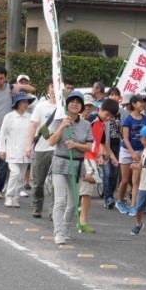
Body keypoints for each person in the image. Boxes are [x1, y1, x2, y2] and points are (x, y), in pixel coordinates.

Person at [0, 65, 35, 199]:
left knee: (4, 162)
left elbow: (33, 89)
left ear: (5, 78)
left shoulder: (11, 89)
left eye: (1, 78)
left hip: (7, 132)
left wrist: (19, 86)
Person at [48, 91, 93, 245]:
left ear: (81, 106)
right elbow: (51, 142)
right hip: (60, 163)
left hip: (77, 165)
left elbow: (89, 147)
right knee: (60, 200)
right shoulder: (59, 120)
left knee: (73, 203)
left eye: (78, 102)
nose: (75, 104)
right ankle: (58, 232)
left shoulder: (86, 124)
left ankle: (66, 225)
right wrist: (62, 126)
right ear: (67, 104)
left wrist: (76, 145)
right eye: (72, 101)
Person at [79, 98, 119, 233]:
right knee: (93, 179)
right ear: (100, 109)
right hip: (85, 156)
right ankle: (75, 175)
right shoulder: (92, 120)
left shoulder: (102, 124)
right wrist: (100, 154)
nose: (108, 118)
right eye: (107, 114)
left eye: (111, 117)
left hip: (93, 158)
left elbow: (102, 143)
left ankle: (83, 220)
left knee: (88, 190)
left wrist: (112, 157)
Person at [25, 80, 57, 218]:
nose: (55, 89)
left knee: (56, 183)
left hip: (58, 151)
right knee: (38, 182)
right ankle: (37, 206)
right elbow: (33, 126)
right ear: (48, 88)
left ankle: (54, 211)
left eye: (58, 86)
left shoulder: (65, 107)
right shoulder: (41, 106)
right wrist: (28, 145)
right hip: (41, 149)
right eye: (52, 86)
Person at [116, 93, 146, 215]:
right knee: (125, 180)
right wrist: (132, 152)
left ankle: (133, 206)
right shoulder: (128, 119)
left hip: (140, 151)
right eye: (140, 102)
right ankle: (120, 201)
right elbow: (125, 138)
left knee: (136, 180)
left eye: (143, 102)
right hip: (126, 151)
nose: (142, 104)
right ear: (133, 104)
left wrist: (143, 151)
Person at [0, 92, 35, 208]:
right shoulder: (9, 117)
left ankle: (15, 198)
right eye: (23, 101)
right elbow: (2, 135)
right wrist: (2, 150)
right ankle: (8, 197)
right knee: (15, 173)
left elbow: (36, 132)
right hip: (12, 151)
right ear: (17, 103)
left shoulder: (31, 118)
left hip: (26, 152)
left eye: (27, 102)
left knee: (21, 177)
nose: (26, 104)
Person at [102, 87, 128, 209]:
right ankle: (108, 198)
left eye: (116, 95)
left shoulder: (123, 113)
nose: (114, 97)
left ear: (119, 97)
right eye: (111, 95)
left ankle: (110, 195)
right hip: (107, 144)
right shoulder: (103, 112)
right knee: (107, 172)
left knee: (115, 173)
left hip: (119, 145)